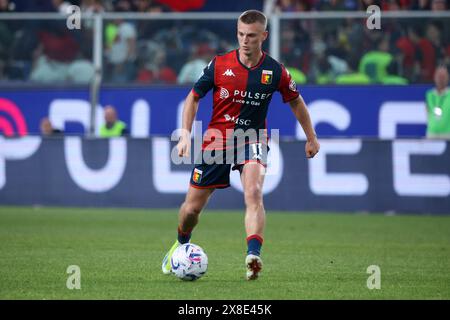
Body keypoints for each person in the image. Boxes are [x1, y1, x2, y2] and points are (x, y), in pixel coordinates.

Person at [161, 10, 320, 280]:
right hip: (217, 141)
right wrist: (185, 133)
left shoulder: (275, 71)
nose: (245, 41)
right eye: (241, 35)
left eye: (252, 36)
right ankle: (180, 243)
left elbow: (295, 101)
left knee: (254, 192)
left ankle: (253, 255)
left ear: (264, 36)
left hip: (253, 140)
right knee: (191, 209)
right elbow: (194, 97)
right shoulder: (220, 64)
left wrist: (311, 136)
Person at [425, 66, 450, 139]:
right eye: (439, 76)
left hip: (448, 134)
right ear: (434, 77)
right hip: (432, 133)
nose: (441, 79)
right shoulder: (429, 95)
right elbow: (427, 112)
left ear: (447, 78)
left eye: (443, 76)